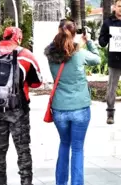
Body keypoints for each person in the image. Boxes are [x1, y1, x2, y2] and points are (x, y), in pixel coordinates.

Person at [0, 27, 43, 185]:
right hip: (18, 110)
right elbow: (36, 82)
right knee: (23, 149)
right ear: (18, 38)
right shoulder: (26, 56)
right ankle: (26, 182)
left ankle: (0, 182)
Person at [44, 19, 100, 185]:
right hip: (80, 107)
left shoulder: (51, 54)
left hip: (59, 108)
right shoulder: (80, 53)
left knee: (64, 144)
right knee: (77, 148)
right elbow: (97, 59)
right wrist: (88, 41)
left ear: (59, 31)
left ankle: (60, 183)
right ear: (74, 33)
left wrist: (71, 39)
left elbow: (62, 48)